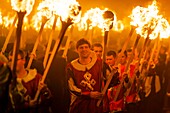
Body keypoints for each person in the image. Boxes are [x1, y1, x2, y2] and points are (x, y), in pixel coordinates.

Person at [66, 38, 103, 113]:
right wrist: (88, 94)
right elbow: (71, 87)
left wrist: (115, 75)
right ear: (77, 50)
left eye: (86, 47)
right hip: (80, 105)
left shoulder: (99, 63)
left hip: (98, 104)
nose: (84, 49)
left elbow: (108, 81)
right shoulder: (71, 67)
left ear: (90, 49)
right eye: (81, 47)